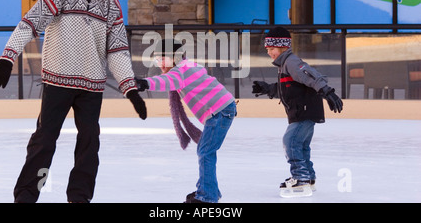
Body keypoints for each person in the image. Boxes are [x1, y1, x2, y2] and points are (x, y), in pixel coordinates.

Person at [0, 0, 147, 203]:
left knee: (89, 142)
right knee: (45, 141)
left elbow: (117, 50)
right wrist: (7, 58)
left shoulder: (111, 6)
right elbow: (30, 23)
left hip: (92, 86)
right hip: (58, 82)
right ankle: (26, 196)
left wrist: (130, 89)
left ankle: (79, 198)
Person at [135, 39, 236, 203]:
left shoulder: (180, 71)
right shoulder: (186, 67)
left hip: (220, 111)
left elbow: (164, 81)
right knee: (206, 151)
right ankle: (208, 190)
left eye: (162, 58)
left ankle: (207, 196)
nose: (160, 63)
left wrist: (144, 83)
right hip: (221, 110)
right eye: (157, 59)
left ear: (174, 57)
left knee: (205, 152)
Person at [252, 27, 343, 198]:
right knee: (301, 145)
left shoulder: (292, 62)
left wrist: (327, 92)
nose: (269, 52)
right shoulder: (284, 64)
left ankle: (300, 178)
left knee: (291, 141)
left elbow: (311, 75)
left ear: (283, 47)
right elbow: (289, 88)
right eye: (267, 49)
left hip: (304, 111)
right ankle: (308, 177)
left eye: (272, 48)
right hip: (302, 111)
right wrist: (268, 89)